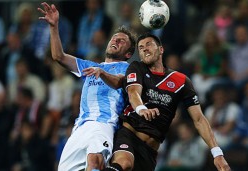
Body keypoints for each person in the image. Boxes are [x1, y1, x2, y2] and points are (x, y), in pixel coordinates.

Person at [86, 33, 231, 171]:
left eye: (148, 45)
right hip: (129, 134)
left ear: (161, 49)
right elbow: (133, 92)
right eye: (141, 48)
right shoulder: (137, 68)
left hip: (150, 150)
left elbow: (199, 119)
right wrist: (141, 109)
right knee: (124, 164)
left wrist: (217, 153)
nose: (145, 50)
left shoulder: (181, 81)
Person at [38, 2, 136, 171]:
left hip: (103, 123)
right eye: (114, 37)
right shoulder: (89, 65)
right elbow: (58, 56)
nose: (116, 40)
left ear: (128, 53)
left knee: (94, 162)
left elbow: (120, 82)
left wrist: (103, 73)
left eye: (122, 41)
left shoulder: (128, 69)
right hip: (80, 127)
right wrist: (54, 27)